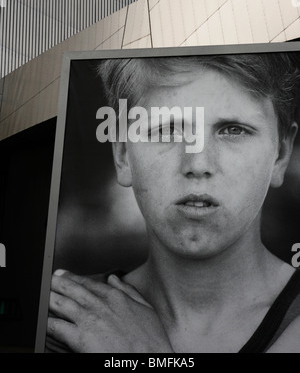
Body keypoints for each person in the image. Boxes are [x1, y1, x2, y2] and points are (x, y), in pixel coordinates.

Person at [46, 53, 300, 353]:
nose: (198, 163)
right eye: (167, 130)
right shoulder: (64, 323)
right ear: (123, 155)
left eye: (233, 130)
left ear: (280, 156)